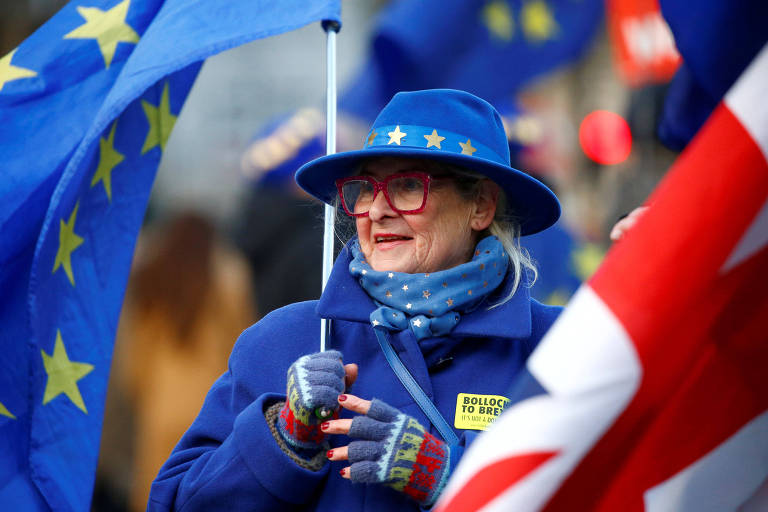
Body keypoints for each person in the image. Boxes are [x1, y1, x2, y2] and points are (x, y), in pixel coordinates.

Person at [148, 89, 563, 511]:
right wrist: (281, 438)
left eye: (406, 185)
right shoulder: (281, 340)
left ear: (481, 205)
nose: (376, 210)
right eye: (365, 188)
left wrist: (452, 476)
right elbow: (176, 503)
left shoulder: (559, 349)